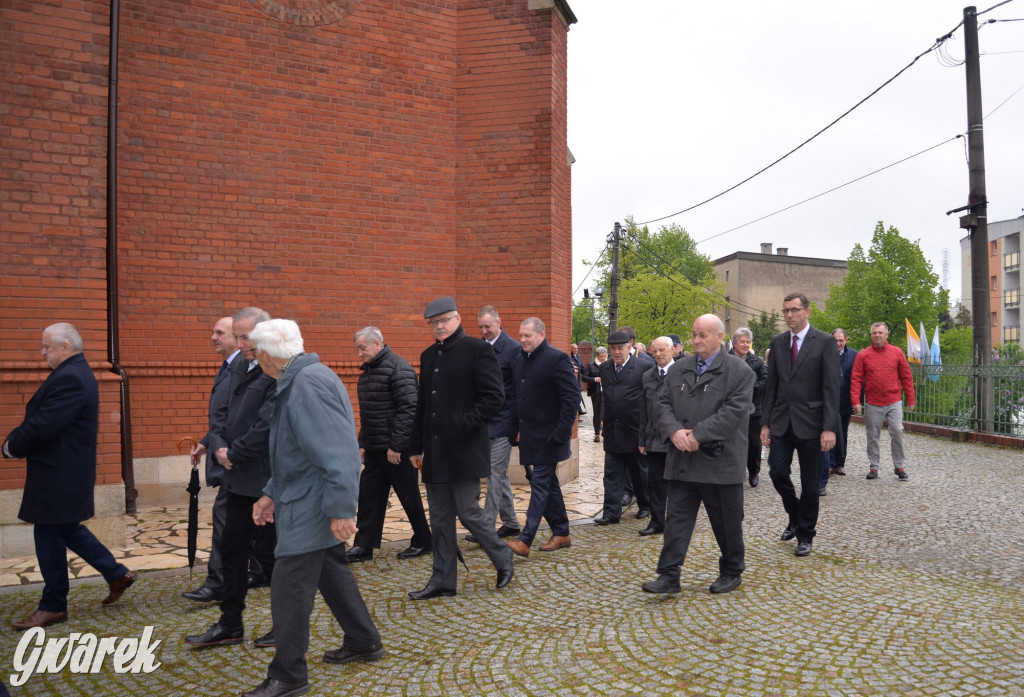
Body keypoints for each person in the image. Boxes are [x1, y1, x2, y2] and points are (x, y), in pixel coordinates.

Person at [245, 319, 384, 697]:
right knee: (331, 571)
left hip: (313, 504)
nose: (254, 358)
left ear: (268, 354)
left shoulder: (306, 384)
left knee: (288, 587)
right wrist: (271, 492)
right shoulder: (299, 379)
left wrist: (342, 509)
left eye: (255, 351)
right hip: (304, 497)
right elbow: (294, 452)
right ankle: (363, 639)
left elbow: (338, 453)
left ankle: (289, 675)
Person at [5, 323, 136, 630]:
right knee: (67, 529)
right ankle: (116, 573)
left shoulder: (72, 377)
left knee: (48, 533)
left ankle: (53, 605)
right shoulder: (73, 373)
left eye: (46, 347)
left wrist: (13, 445)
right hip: (61, 470)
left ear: (65, 347)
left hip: (59, 471)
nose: (42, 353)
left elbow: (45, 424)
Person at [407, 297, 515, 599]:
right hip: (434, 452)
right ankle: (443, 579)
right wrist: (415, 445)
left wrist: (464, 425)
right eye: (433, 322)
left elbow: (494, 397)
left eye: (445, 320)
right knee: (440, 518)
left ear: (457, 319)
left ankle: (502, 557)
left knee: (468, 510)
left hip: (465, 448)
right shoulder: (428, 356)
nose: (439, 326)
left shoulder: (478, 349)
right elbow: (423, 406)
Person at [642, 315, 754, 596]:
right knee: (676, 520)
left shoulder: (739, 371)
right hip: (683, 460)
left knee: (726, 523)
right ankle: (669, 575)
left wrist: (697, 435)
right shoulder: (680, 369)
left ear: (719, 336)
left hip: (721, 461)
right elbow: (662, 404)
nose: (696, 340)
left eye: (703, 335)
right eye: (693, 334)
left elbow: (734, 412)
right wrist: (675, 432)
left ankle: (731, 570)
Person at [186, 307, 277, 649]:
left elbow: (268, 424)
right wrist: (218, 446)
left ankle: (284, 624)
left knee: (271, 557)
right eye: (237, 337)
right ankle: (230, 623)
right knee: (232, 549)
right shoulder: (238, 364)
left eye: (246, 337)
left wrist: (233, 452)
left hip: (266, 480)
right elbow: (220, 413)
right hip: (236, 478)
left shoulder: (276, 368)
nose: (241, 343)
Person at [761, 293, 840, 558]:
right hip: (782, 422)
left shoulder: (825, 342)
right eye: (785, 311)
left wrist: (829, 427)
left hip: (813, 425)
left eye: (794, 310)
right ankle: (795, 514)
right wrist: (765, 423)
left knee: (810, 484)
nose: (789, 315)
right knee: (776, 472)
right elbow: (771, 387)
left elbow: (831, 388)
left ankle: (806, 534)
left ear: (807, 311)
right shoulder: (778, 343)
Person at [346, 326, 432, 563]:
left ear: (377, 344)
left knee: (409, 496)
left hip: (396, 451)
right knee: (369, 496)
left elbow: (409, 410)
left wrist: (396, 445)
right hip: (375, 449)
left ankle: (424, 540)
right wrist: (362, 443)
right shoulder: (368, 373)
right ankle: (363, 545)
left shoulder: (398, 368)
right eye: (357, 349)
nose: (359, 354)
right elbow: (369, 413)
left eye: (362, 348)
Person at [505, 318, 578, 557]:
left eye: (527, 335)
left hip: (551, 437)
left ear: (541, 334)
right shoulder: (519, 359)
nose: (523, 340)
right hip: (529, 435)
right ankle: (562, 532)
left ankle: (525, 540)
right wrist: (515, 428)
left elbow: (570, 399)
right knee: (548, 485)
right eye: (521, 335)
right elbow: (516, 397)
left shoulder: (557, 359)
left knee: (539, 484)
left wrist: (561, 432)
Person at [183, 316, 240, 603]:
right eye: (213, 331)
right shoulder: (229, 366)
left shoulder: (241, 368)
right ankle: (255, 571)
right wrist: (207, 442)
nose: (213, 337)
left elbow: (238, 417)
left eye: (220, 332)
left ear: (236, 336)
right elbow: (225, 416)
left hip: (236, 460)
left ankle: (219, 582)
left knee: (226, 519)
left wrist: (220, 446)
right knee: (242, 521)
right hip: (227, 453)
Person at [473, 305, 523, 541]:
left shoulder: (513, 349)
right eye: (481, 327)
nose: (484, 331)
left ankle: (485, 528)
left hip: (505, 423)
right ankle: (511, 523)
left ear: (499, 322)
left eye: (488, 326)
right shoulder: (479, 348)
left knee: (494, 473)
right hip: (485, 422)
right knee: (499, 475)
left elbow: (520, 390)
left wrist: (518, 426)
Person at [592, 330, 650, 525]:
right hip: (612, 429)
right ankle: (611, 512)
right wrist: (601, 419)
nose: (616, 352)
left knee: (639, 472)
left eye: (620, 348)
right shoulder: (605, 368)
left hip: (635, 429)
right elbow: (605, 396)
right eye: (613, 349)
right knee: (612, 473)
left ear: (629, 346)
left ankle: (645, 505)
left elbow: (649, 399)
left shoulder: (643, 366)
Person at [850, 322, 915, 481]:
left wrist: (910, 398)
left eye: (880, 333)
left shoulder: (897, 353)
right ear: (871, 335)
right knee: (872, 436)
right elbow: (856, 379)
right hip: (873, 402)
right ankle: (874, 466)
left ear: (886, 335)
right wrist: (855, 401)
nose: (877, 335)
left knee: (897, 431)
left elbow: (906, 377)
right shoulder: (863, 355)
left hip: (894, 400)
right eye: (874, 333)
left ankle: (899, 466)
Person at [637, 336, 675, 536]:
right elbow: (643, 410)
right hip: (653, 440)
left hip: (676, 440)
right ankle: (657, 521)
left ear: (673, 351)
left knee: (677, 485)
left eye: (663, 350)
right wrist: (642, 440)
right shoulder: (647, 376)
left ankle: (677, 522)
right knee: (655, 484)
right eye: (655, 351)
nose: (659, 354)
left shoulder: (682, 373)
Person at [729, 327, 768, 488]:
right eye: (742, 342)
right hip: (731, 409)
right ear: (734, 343)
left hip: (753, 410)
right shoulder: (725, 359)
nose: (745, 345)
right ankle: (733, 472)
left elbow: (765, 381)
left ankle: (754, 472)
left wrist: (749, 389)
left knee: (754, 443)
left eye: (747, 342)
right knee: (732, 442)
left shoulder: (756, 361)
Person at [820, 328, 858, 489]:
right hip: (827, 402)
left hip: (844, 401)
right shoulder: (824, 352)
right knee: (828, 431)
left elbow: (856, 378)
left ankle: (839, 464)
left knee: (842, 433)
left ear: (846, 340)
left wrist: (857, 400)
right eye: (835, 340)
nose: (838, 343)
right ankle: (829, 463)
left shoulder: (853, 355)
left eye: (841, 340)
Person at [581, 346, 607, 442]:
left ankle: (604, 430)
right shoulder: (591, 365)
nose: (603, 359)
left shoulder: (609, 364)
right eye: (601, 357)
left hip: (607, 392)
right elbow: (584, 378)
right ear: (597, 355)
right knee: (597, 413)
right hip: (596, 392)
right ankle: (597, 434)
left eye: (605, 356)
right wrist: (595, 379)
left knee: (606, 412)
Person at [569, 342, 586, 415]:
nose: (576, 350)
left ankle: (579, 411)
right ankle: (579, 411)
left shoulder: (578, 357)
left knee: (578, 394)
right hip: (573, 380)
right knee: (576, 395)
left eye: (577, 348)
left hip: (578, 380)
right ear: (571, 349)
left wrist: (588, 374)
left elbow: (582, 368)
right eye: (574, 348)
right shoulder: (569, 357)